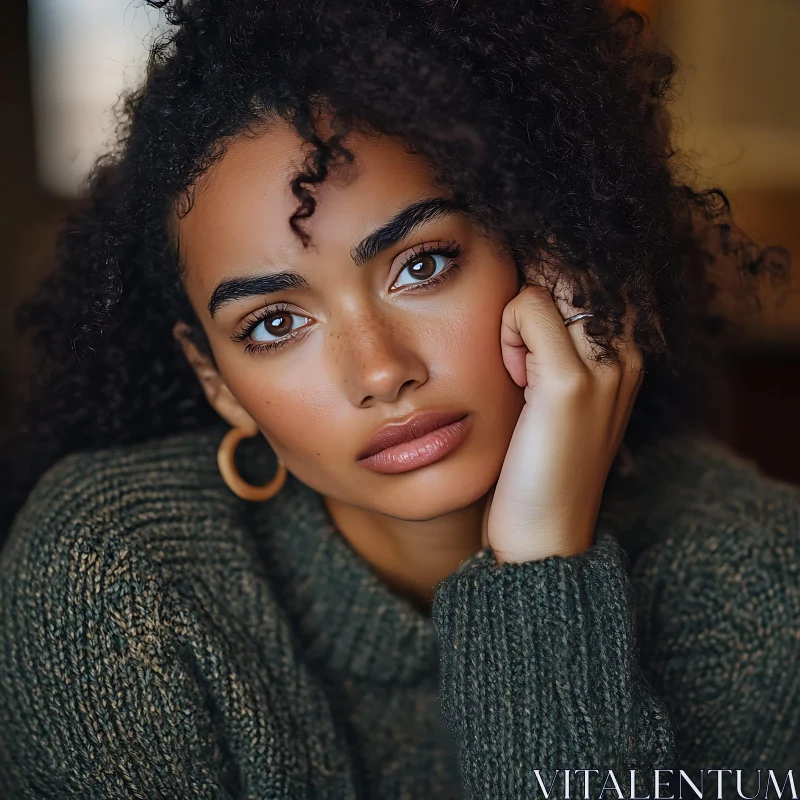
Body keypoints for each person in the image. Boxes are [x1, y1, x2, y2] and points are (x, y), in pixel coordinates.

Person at [0, 0, 797, 798]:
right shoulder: (117, 577)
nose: (380, 372)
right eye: (275, 323)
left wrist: (543, 562)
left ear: (556, 258)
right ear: (217, 382)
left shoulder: (751, 580)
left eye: (422, 266)